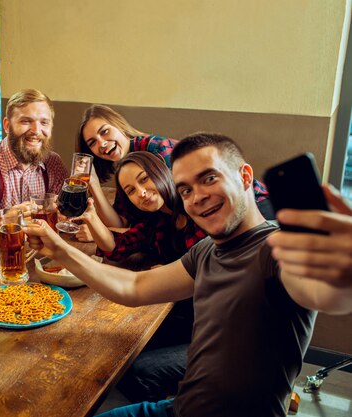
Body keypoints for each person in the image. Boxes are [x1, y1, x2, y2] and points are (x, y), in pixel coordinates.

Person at [24, 132, 352, 417]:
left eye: (209, 178)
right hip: (178, 408)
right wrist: (60, 250)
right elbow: (136, 286)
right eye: (185, 190)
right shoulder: (207, 250)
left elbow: (326, 292)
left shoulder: (275, 250)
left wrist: (342, 270)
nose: (197, 197)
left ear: (245, 176)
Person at [78, 151, 206, 402]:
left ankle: (177, 403)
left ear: (162, 172)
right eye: (131, 191)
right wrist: (91, 216)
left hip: (211, 328)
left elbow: (214, 273)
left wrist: (174, 272)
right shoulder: (156, 221)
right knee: (116, 351)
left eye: (144, 179)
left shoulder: (198, 211)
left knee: (136, 371)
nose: (141, 193)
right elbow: (116, 248)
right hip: (182, 316)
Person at [77, 104, 273, 229]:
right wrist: (93, 185)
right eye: (92, 143)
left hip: (253, 205)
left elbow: (184, 210)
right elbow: (122, 221)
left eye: (105, 132)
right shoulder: (126, 168)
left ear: (119, 125)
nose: (102, 143)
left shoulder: (158, 149)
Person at [0, 89, 69, 211]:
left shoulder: (53, 162)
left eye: (44, 123)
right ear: (7, 125)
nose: (36, 130)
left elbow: (64, 217)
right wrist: (9, 218)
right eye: (26, 121)